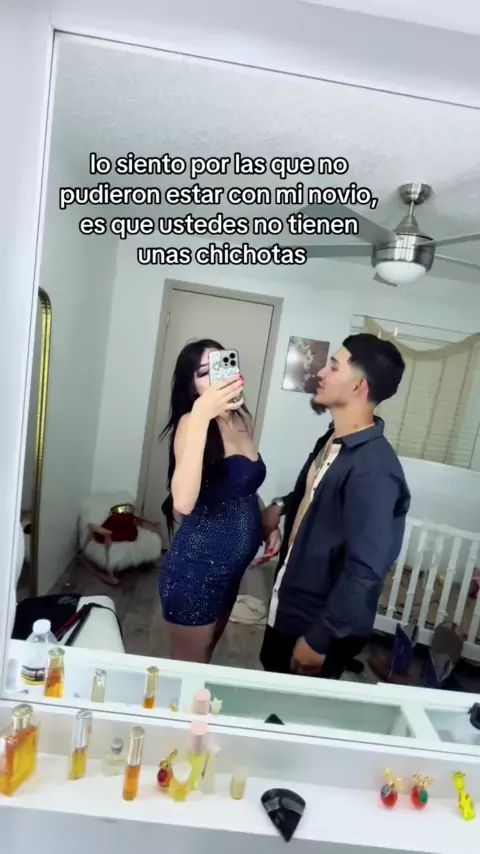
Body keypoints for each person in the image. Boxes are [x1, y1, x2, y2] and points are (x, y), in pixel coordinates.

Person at [260, 332, 411, 679]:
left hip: (317, 625)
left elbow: (365, 570)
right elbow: (312, 493)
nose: (321, 374)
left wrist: (320, 639)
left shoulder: (374, 469)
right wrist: (281, 506)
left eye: (333, 366)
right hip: (289, 602)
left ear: (358, 386)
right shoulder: (332, 439)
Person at [159, 339, 272, 663]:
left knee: (205, 660)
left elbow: (243, 485)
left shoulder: (241, 420)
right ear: (191, 386)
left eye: (219, 366)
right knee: (188, 670)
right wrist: (200, 417)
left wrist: (268, 522)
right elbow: (183, 502)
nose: (214, 377)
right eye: (203, 373)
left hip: (231, 573)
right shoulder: (190, 424)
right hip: (196, 573)